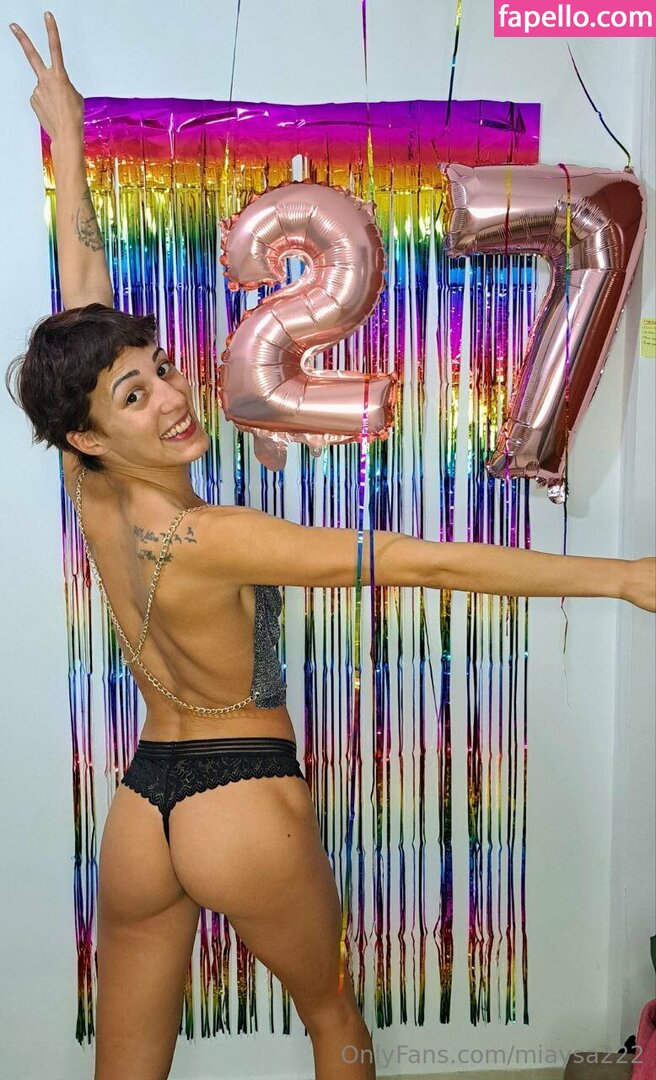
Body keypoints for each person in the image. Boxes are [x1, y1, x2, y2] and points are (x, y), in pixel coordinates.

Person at [6, 13, 655, 1080]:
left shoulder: (92, 487)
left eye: (159, 369)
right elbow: (422, 562)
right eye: (136, 394)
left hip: (142, 811)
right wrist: (620, 577)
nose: (171, 394)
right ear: (90, 432)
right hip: (238, 804)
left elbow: (81, 288)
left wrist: (67, 135)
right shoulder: (215, 537)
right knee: (335, 1022)